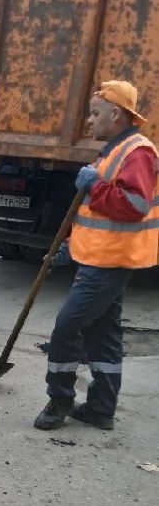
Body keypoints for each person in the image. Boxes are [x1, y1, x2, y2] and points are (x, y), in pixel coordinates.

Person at [34, 79, 159, 432]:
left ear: (116, 114)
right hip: (102, 257)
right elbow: (96, 217)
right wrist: (68, 249)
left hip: (111, 262)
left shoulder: (137, 152)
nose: (89, 121)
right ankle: (101, 408)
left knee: (67, 327)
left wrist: (92, 184)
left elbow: (134, 206)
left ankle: (59, 401)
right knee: (103, 334)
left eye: (95, 113)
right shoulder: (112, 151)